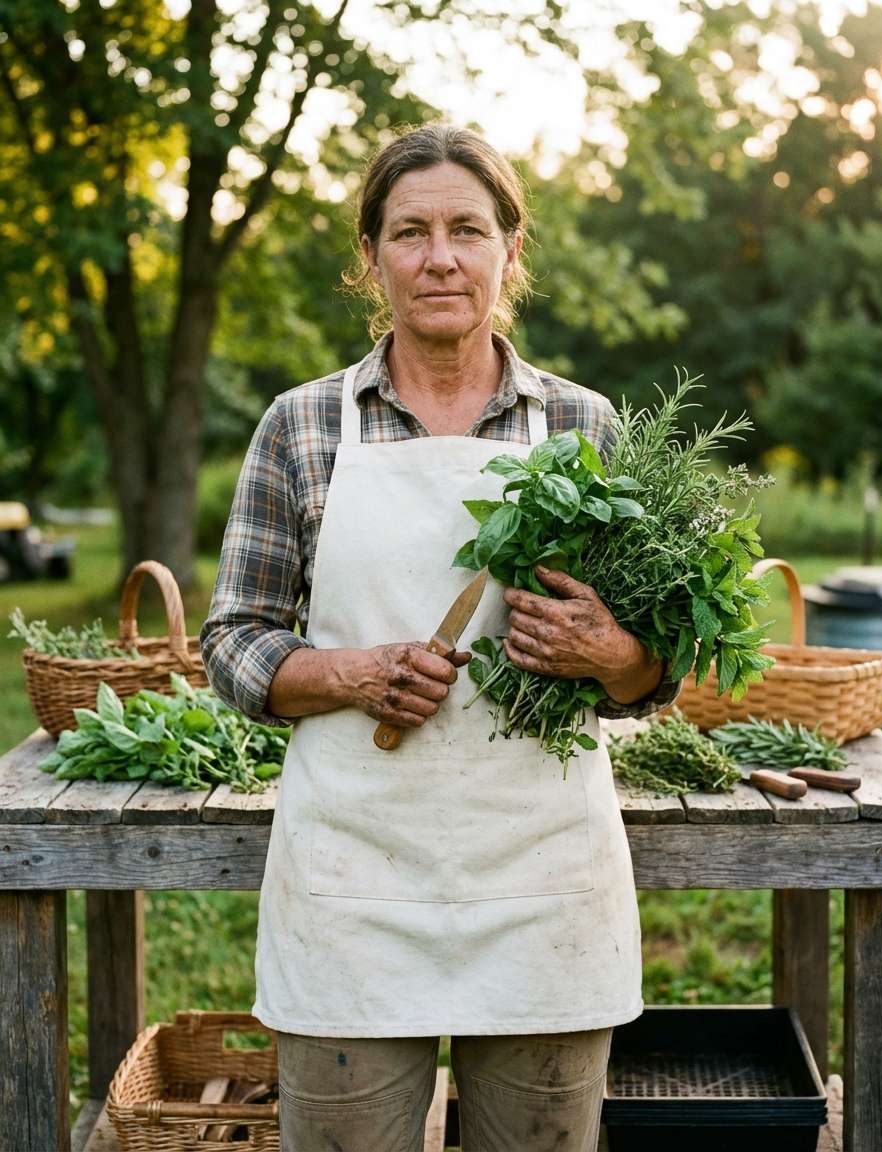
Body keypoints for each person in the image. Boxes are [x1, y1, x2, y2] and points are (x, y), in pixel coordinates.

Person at [201, 122, 681, 1152]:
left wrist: (614, 654)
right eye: (410, 231)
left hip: (543, 877)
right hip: (352, 883)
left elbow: (652, 672)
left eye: (468, 228)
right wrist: (350, 672)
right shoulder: (301, 426)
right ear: (371, 256)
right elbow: (232, 640)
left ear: (510, 247)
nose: (440, 256)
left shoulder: (583, 428)